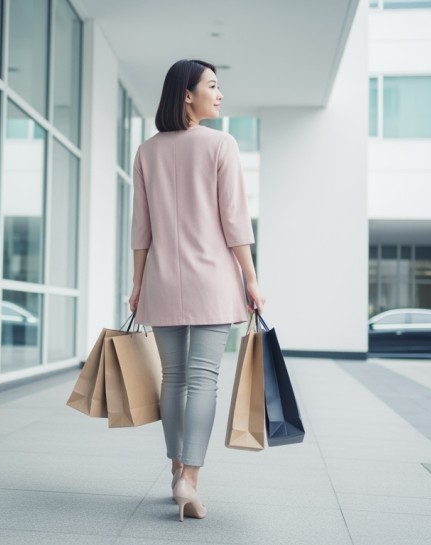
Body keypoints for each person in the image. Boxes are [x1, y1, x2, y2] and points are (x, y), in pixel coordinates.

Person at [129, 59, 265, 522]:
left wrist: (136, 282)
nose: (219, 94)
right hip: (212, 279)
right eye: (212, 85)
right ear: (187, 95)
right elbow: (235, 223)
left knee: (174, 379)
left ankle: (174, 471)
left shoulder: (147, 152)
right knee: (204, 379)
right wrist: (251, 278)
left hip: (162, 278)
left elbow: (140, 229)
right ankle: (191, 477)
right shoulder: (221, 145)